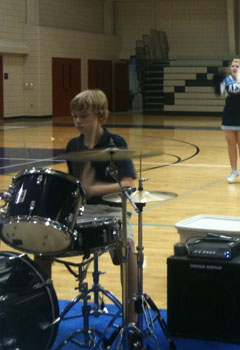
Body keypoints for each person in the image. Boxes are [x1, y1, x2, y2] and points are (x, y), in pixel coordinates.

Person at [36, 89, 142, 347]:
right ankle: (43, 310)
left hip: (112, 211)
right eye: (74, 116)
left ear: (100, 115)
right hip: (82, 212)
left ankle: (131, 319)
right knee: (41, 247)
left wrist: (94, 190)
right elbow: (75, 186)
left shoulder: (115, 143)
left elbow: (128, 183)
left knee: (128, 249)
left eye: (83, 115)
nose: (77, 121)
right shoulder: (73, 145)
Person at [215, 58, 240, 183]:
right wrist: (216, 82)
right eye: (232, 66)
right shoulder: (226, 80)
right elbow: (219, 92)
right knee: (231, 145)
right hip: (229, 114)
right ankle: (234, 170)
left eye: (237, 66)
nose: (234, 68)